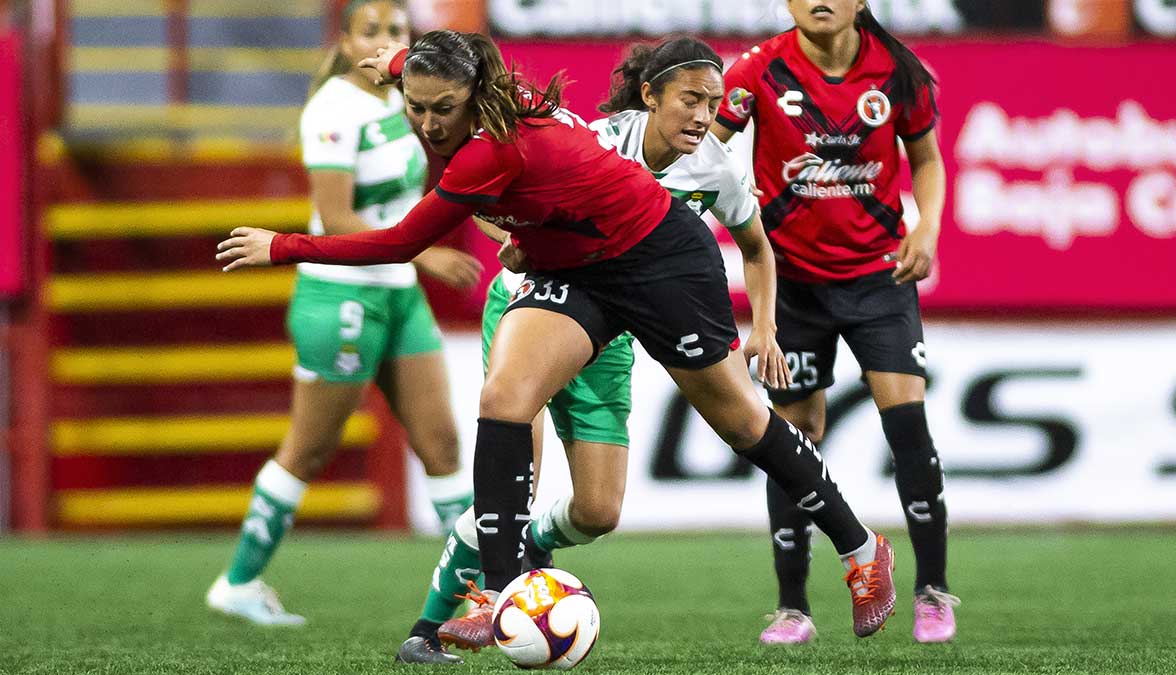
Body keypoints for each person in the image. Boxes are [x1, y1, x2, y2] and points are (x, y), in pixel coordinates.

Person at [217, 28, 897, 650]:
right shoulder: (469, 91)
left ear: (473, 99)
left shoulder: (489, 149)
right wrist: (396, 63)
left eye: (441, 109)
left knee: (744, 422)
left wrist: (282, 244)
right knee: (505, 395)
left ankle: (862, 550)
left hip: (661, 258)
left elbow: (401, 241)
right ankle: (508, 588)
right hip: (577, 268)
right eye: (416, 105)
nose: (427, 123)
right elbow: (434, 71)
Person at [391, 36, 792, 663]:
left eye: (712, 103)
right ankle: (430, 626)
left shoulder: (717, 168)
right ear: (651, 96)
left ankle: (533, 551)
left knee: (600, 511)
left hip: (611, 331)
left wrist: (762, 328)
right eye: (691, 99)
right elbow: (498, 200)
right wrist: (524, 238)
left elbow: (756, 247)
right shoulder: (599, 139)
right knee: (508, 480)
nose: (702, 115)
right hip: (534, 305)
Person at [205, 0, 481, 627]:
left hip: (397, 291)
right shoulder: (332, 107)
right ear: (347, 39)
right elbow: (336, 221)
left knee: (441, 444)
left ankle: (475, 594)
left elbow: (418, 197)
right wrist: (428, 254)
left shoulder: (401, 99)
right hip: (341, 295)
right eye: (372, 31)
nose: (385, 41)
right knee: (308, 449)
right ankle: (238, 581)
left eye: (396, 31)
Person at [712, 0, 960, 644]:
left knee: (907, 423)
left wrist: (927, 227)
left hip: (881, 279)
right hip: (791, 283)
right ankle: (794, 606)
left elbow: (927, 159)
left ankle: (932, 592)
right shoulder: (756, 71)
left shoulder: (898, 71)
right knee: (795, 435)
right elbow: (704, 149)